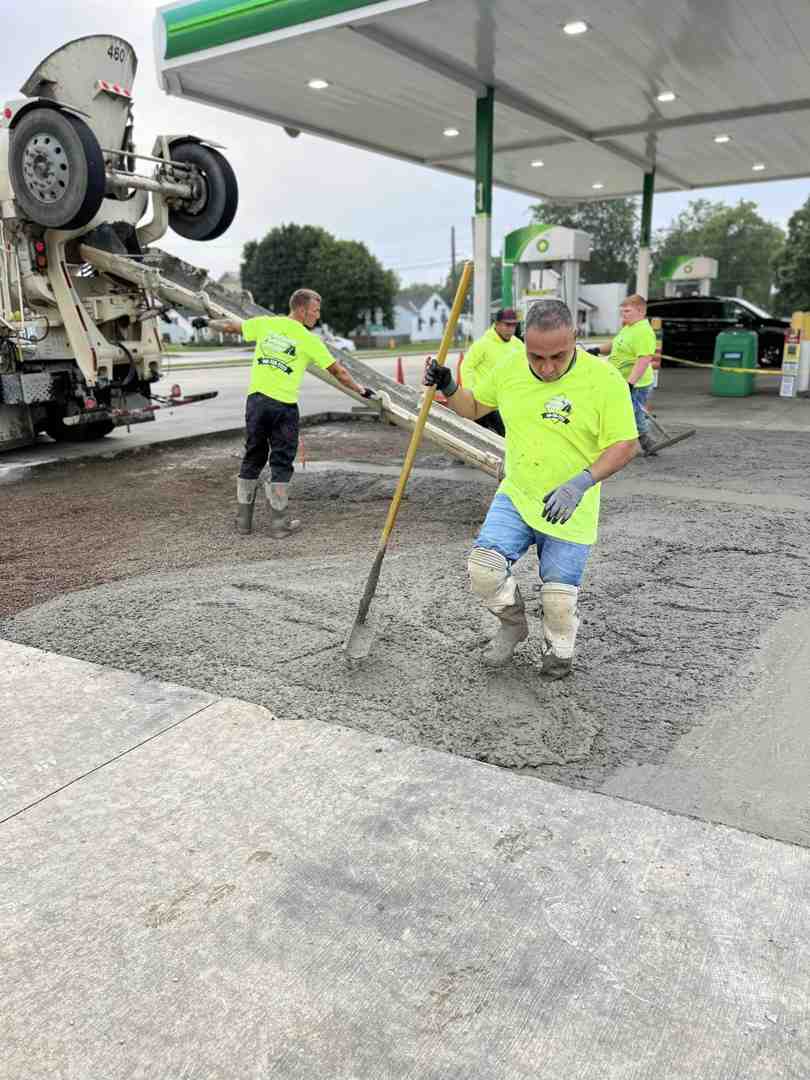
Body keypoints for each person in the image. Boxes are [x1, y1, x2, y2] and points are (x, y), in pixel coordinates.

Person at [424, 299, 638, 678]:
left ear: (575, 337)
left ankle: (557, 648)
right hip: (519, 493)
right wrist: (449, 385)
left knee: (558, 602)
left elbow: (625, 444)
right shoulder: (510, 368)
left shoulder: (604, 380)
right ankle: (513, 624)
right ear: (524, 343)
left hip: (571, 506)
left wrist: (581, 482)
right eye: (537, 357)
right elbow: (472, 407)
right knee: (484, 571)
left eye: (558, 356)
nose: (547, 367)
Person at [195, 289, 373, 537]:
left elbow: (232, 326)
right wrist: (361, 390)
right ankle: (279, 525)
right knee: (281, 461)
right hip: (283, 407)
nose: (317, 316)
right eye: (315, 311)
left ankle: (243, 522)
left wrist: (206, 323)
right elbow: (339, 372)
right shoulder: (309, 340)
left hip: (256, 402)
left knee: (253, 456)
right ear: (301, 309)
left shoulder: (266, 324)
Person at [589, 294, 657, 455]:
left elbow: (644, 359)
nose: (623, 314)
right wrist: (597, 350)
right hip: (621, 381)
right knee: (622, 412)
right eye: (622, 311)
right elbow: (615, 344)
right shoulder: (629, 328)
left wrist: (630, 383)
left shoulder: (643, 332)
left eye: (627, 311)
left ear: (641, 311)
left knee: (633, 414)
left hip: (637, 384)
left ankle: (648, 442)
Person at [460, 308, 524, 436]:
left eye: (514, 325)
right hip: (483, 401)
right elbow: (466, 367)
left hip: (507, 402)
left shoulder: (518, 345)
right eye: (507, 325)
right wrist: (470, 392)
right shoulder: (483, 344)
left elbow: (524, 369)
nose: (511, 329)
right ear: (497, 324)